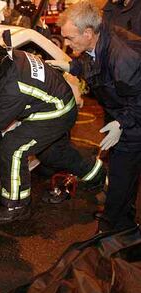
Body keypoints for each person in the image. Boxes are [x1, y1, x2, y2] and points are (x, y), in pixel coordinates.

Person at [0, 35, 105, 224]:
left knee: (12, 148)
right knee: (53, 154)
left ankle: (15, 206)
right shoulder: (11, 57)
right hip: (58, 103)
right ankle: (96, 172)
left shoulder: (13, 89)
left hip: (55, 113)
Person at [48, 0, 141, 231]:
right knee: (121, 169)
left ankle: (112, 225)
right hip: (120, 110)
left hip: (133, 116)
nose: (67, 45)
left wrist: (122, 123)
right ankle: (123, 217)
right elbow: (92, 63)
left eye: (70, 38)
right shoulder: (97, 42)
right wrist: (71, 67)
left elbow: (138, 100)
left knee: (122, 171)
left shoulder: (123, 57)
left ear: (89, 33)